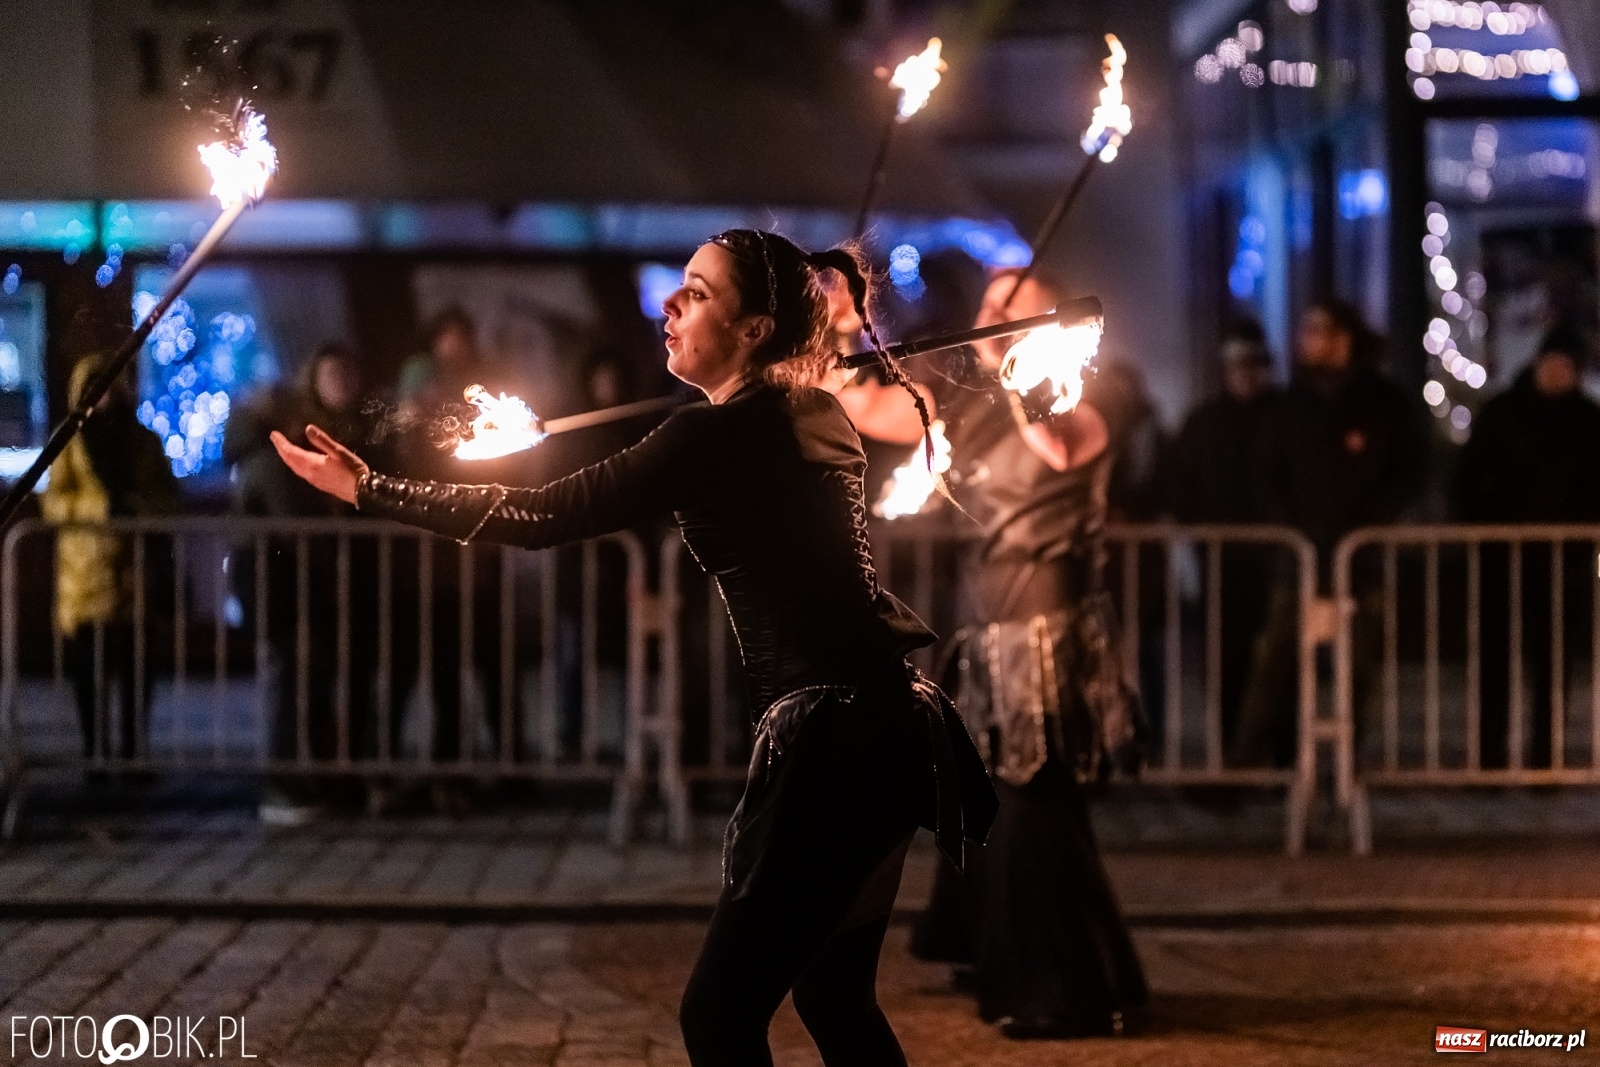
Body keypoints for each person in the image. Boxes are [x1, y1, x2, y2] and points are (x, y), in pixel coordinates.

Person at [272, 228, 995, 1067]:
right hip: (890, 726)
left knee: (719, 1016)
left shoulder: (712, 436)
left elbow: (543, 514)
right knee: (834, 994)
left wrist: (370, 487)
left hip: (834, 741)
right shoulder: (813, 412)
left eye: (699, 290)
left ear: (754, 329)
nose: (670, 303)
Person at [911, 269, 1147, 1039]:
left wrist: (1021, 361)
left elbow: (1060, 446)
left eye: (1013, 306)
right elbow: (874, 408)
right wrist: (844, 332)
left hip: (1048, 624)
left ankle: (1063, 986)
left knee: (1032, 802)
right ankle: (999, 948)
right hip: (986, 617)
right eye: (986, 304)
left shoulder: (1085, 391)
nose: (992, 317)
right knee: (998, 796)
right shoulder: (969, 409)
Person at [1234, 298, 1429, 768]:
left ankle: (1348, 763)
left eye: (1317, 331)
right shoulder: (1291, 403)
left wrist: (1372, 523)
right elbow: (1265, 471)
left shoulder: (1383, 401)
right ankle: (1245, 764)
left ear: (1343, 338)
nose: (1306, 342)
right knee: (1275, 662)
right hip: (1299, 556)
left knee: (1360, 667)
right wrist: (1289, 526)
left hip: (1361, 558)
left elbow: (1409, 471)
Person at [227, 343, 383, 822]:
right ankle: (284, 785)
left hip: (307, 590)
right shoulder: (272, 464)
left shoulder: (275, 458)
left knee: (310, 685)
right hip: (286, 593)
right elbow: (297, 529)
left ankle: (314, 779)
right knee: (288, 686)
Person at [1454, 324, 1600, 769]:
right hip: (1502, 554)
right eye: (1552, 364)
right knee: (1494, 661)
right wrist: (1484, 527)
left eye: (1566, 367)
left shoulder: (1588, 420)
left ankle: (1545, 759)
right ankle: (1489, 759)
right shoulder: (1503, 412)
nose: (1558, 373)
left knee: (1552, 666)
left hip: (1562, 558)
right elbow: (1467, 479)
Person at [42, 354, 178, 767]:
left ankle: (134, 753)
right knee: (89, 674)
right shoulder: (69, 441)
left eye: (110, 384)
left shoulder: (144, 441)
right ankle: (95, 752)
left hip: (136, 575)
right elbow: (53, 503)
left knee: (137, 672)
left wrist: (137, 510)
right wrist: (99, 509)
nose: (104, 394)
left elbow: (169, 498)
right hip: (86, 577)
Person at [1165, 320, 1280, 752]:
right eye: (1236, 365)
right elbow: (1178, 481)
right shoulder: (1205, 421)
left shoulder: (1280, 414)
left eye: (1252, 365)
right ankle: (1234, 751)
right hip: (1222, 560)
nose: (1244, 374)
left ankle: (1276, 753)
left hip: (1274, 560)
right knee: (1226, 660)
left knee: (1275, 663)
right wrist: (1193, 525)